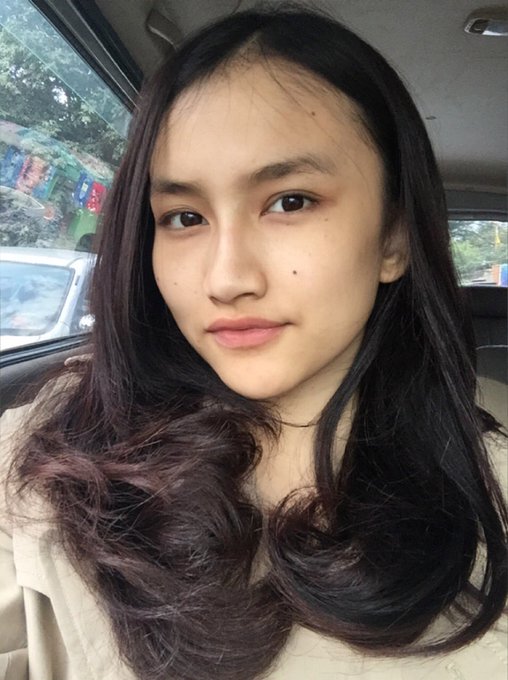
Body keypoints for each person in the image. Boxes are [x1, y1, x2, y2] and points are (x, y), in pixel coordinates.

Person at [1, 6, 506, 680]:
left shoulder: (492, 492)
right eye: (184, 217)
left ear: (393, 238)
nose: (227, 278)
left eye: (290, 201)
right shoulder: (40, 462)